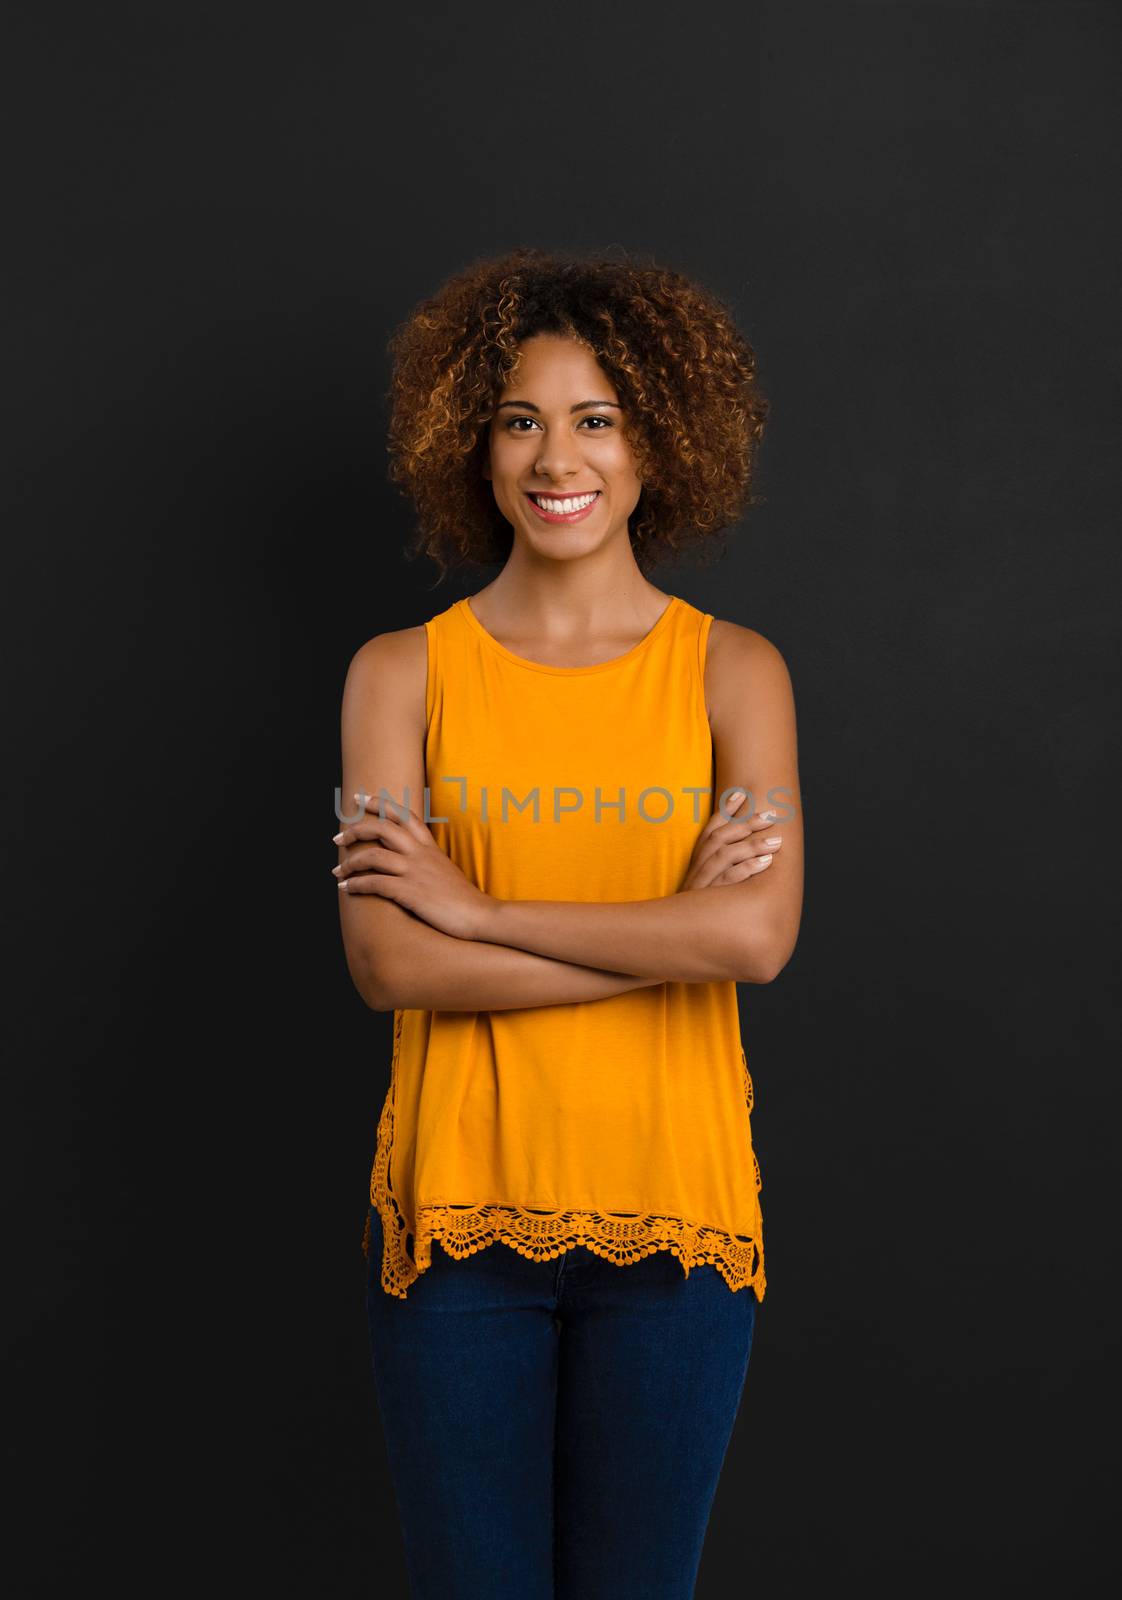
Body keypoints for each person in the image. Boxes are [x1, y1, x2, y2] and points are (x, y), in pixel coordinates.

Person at [333, 246, 804, 1599]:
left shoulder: (734, 671)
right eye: (520, 418)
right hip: (455, 1233)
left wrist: (478, 912)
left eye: (596, 417)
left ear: (659, 440)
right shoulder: (398, 676)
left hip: (678, 1225)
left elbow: (757, 941)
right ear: (470, 444)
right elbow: (386, 963)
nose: (558, 457)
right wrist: (668, 933)